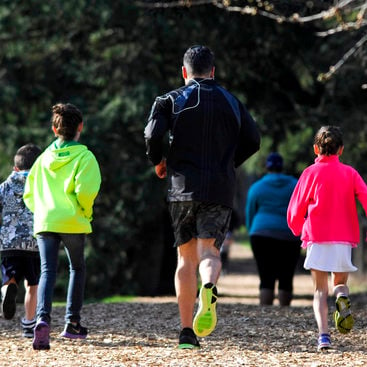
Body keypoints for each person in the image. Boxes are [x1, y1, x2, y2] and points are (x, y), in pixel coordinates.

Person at [144, 45, 260, 349]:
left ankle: (186, 333)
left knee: (185, 258)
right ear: (213, 71)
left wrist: (159, 160)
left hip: (182, 187)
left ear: (184, 72)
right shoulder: (231, 101)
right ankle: (209, 286)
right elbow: (253, 139)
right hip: (219, 188)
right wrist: (228, 163)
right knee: (209, 252)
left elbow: (153, 135)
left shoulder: (169, 100)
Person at [23, 103, 101, 350]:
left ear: (54, 129)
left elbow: (29, 192)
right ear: (80, 127)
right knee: (77, 268)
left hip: (46, 220)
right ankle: (72, 323)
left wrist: (42, 212)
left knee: (47, 271)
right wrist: (85, 212)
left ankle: (42, 319)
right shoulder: (85, 156)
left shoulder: (42, 158)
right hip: (73, 221)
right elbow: (86, 190)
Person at [287, 126, 367, 352]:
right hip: (344, 238)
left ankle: (323, 337)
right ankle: (342, 298)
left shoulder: (309, 173)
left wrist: (297, 228)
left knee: (320, 291)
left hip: (317, 236)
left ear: (315, 148)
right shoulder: (350, 173)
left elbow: (296, 208)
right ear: (341, 150)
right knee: (340, 284)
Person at [245, 152, 301, 306]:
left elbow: (250, 212)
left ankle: (265, 313)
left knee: (266, 277)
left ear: (266, 167)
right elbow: (303, 208)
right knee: (286, 276)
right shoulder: (295, 185)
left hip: (261, 234)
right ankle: (284, 313)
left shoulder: (257, 187)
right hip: (289, 234)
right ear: (282, 167)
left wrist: (252, 232)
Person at [0, 144, 42, 338]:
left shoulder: (5, 186)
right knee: (32, 285)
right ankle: (28, 323)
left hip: (8, 243)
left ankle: (8, 287)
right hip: (34, 243)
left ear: (15, 167)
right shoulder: (41, 185)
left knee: (9, 277)